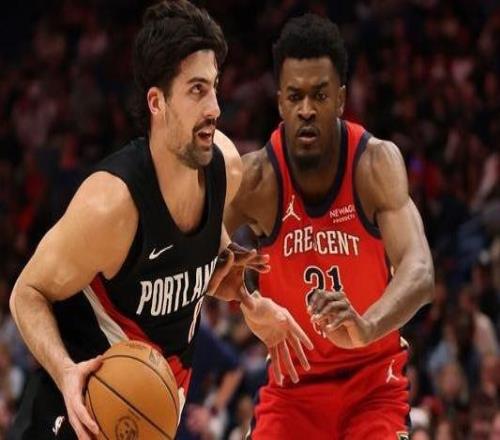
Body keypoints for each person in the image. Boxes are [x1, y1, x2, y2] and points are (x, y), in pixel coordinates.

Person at [8, 2, 312, 439]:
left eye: (214, 87)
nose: (215, 107)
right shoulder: (111, 206)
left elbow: (189, 258)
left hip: (147, 418)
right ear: (157, 102)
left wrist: (242, 296)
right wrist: (65, 371)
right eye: (196, 90)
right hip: (75, 413)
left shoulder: (225, 168)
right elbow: (27, 293)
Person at [225, 13, 434, 439]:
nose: (306, 110)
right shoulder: (256, 179)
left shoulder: (374, 164)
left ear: (340, 99)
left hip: (373, 383)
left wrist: (367, 327)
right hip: (291, 391)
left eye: (319, 95)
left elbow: (420, 271)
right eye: (295, 96)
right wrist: (246, 303)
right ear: (280, 102)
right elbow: (192, 252)